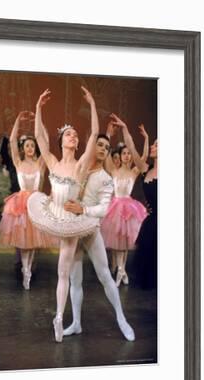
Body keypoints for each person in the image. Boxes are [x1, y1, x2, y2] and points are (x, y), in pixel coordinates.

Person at [27, 87, 100, 342]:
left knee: (63, 271)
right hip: (52, 214)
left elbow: (95, 135)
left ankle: (59, 316)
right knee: (65, 271)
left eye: (75, 135)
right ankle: (61, 316)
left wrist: (91, 104)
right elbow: (38, 136)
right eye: (69, 134)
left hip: (69, 221)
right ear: (62, 141)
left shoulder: (80, 166)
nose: (73, 136)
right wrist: (38, 107)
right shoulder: (53, 162)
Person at [62, 133, 135, 341]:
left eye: (107, 146)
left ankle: (121, 319)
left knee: (104, 275)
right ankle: (76, 323)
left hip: (91, 229)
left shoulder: (105, 178)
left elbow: (103, 209)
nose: (103, 149)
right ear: (91, 146)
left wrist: (81, 208)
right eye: (99, 145)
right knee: (75, 279)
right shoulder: (79, 168)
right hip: (73, 229)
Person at [0, 111, 54, 290]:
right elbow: (12, 141)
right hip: (21, 205)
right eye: (27, 145)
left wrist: (40, 122)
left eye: (32, 145)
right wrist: (17, 120)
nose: (30, 148)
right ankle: (25, 269)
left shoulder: (40, 164)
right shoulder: (18, 162)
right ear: (23, 148)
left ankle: (29, 268)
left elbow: (46, 142)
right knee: (24, 241)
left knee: (32, 243)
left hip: (36, 203)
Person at [101, 117, 150, 286]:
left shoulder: (134, 171)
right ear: (120, 156)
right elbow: (106, 153)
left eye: (129, 153)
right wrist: (108, 134)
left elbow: (143, 157)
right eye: (125, 153)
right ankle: (120, 270)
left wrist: (146, 139)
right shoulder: (113, 170)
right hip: (116, 207)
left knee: (125, 241)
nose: (128, 156)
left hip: (129, 207)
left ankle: (122, 270)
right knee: (117, 240)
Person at [134, 132, 158, 290]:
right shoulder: (146, 169)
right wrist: (125, 130)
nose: (152, 147)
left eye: (156, 145)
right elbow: (132, 149)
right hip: (151, 221)